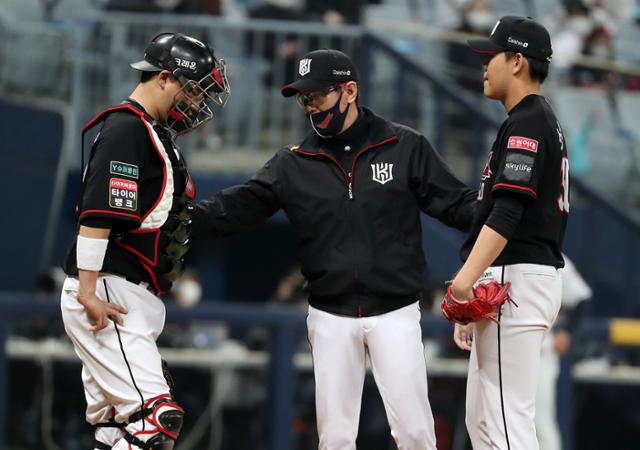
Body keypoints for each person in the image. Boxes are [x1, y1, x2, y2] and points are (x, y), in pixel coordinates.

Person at [192, 48, 477, 449]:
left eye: (319, 96)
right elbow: (234, 209)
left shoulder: (404, 145)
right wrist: (177, 217)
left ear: (350, 91)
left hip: (395, 308)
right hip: (330, 312)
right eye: (305, 99)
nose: (311, 107)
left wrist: (501, 215)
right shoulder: (293, 162)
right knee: (336, 438)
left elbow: (457, 205)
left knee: (415, 433)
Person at [59, 32, 229, 450]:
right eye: (191, 91)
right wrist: (87, 290)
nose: (194, 106)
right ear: (165, 78)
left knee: (116, 427)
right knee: (157, 420)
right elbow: (97, 215)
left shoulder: (150, 132)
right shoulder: (126, 129)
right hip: (107, 291)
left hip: (126, 292)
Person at [447, 16, 570, 450]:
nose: (484, 65)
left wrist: (465, 281)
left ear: (517, 61)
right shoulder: (535, 119)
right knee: (484, 421)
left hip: (515, 277)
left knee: (504, 423)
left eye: (490, 56)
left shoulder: (529, 121)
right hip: (516, 278)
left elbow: (507, 211)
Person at [535, 255, 591, 450]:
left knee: (541, 424)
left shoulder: (553, 256)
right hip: (507, 354)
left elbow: (582, 297)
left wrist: (567, 331)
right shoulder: (500, 246)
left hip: (541, 354)